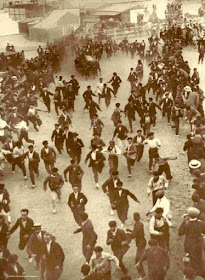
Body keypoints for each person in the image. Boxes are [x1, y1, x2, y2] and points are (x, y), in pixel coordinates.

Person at [178, 207, 205, 272]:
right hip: (198, 243)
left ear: (189, 215)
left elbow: (180, 233)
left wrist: (183, 222)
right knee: (199, 258)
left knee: (190, 259)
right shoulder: (202, 223)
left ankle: (191, 272)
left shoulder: (186, 223)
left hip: (189, 244)